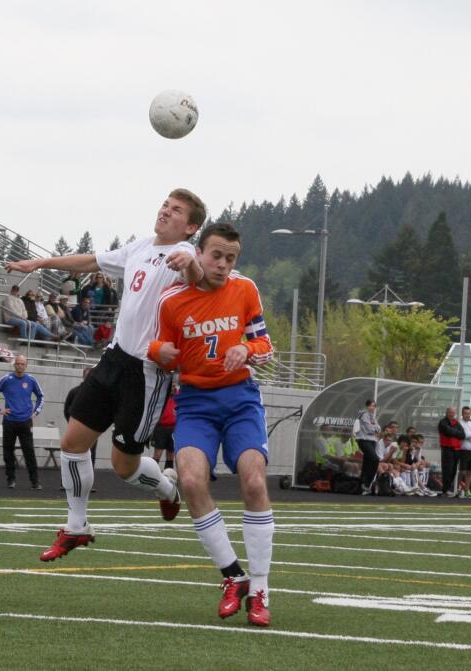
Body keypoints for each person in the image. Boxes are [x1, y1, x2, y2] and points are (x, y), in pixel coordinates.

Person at [6, 188, 206, 562]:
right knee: (72, 443)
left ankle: (167, 489)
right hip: (113, 359)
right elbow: (90, 261)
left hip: (147, 372)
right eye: (165, 204)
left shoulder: (187, 254)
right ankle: (77, 526)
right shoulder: (140, 247)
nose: (165, 211)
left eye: (176, 210)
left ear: (191, 227)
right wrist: (41, 263)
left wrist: (189, 262)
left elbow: (198, 280)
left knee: (124, 468)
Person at [148, 221, 275, 627]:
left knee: (254, 481)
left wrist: (246, 349)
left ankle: (259, 590)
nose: (223, 265)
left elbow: (266, 346)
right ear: (199, 252)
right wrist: (159, 350)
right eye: (216, 255)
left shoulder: (245, 289)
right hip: (195, 403)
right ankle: (231, 575)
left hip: (240, 399)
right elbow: (156, 346)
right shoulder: (171, 301)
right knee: (189, 480)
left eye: (231, 258)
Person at [0, 355, 45, 489]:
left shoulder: (31, 380)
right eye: (18, 363)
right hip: (9, 421)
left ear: (26, 366)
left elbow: (41, 396)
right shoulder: (6, 379)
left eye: (22, 364)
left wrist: (36, 412)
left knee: (29, 451)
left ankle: (35, 481)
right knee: (8, 451)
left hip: (25, 421)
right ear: (14, 365)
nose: (20, 366)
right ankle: (10, 479)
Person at [352, 399, 381, 490]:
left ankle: (362, 483)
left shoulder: (372, 416)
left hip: (372, 440)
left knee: (367, 462)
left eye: (374, 406)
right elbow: (370, 429)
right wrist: (375, 428)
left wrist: (375, 428)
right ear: (367, 406)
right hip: (364, 440)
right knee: (375, 459)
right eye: (371, 406)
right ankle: (368, 482)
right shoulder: (364, 415)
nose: (373, 408)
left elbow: (379, 428)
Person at [437, 406, 464, 497]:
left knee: (453, 470)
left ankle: (448, 489)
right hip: (447, 449)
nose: (452, 414)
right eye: (450, 412)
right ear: (447, 413)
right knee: (447, 470)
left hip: (456, 450)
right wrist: (456, 433)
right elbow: (448, 431)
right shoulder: (443, 422)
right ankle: (445, 490)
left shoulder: (456, 422)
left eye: (453, 413)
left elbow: (462, 435)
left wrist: (454, 433)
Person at [152, 384, 177, 470]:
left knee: (171, 454)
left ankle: (168, 476)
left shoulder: (178, 396)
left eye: (174, 387)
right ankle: (153, 474)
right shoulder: (160, 396)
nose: (172, 388)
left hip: (174, 429)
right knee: (158, 453)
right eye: (171, 386)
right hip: (161, 428)